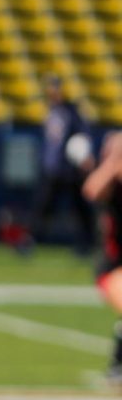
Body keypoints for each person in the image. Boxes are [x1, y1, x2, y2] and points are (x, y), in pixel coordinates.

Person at [34, 74, 96, 254]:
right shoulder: (50, 111)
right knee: (43, 206)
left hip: (69, 170)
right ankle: (33, 239)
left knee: (79, 208)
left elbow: (82, 136)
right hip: (52, 168)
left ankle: (86, 243)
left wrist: (86, 156)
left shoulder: (71, 111)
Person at [82, 131, 122, 385]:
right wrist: (114, 160)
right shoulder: (109, 185)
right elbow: (92, 190)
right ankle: (117, 367)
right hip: (111, 268)